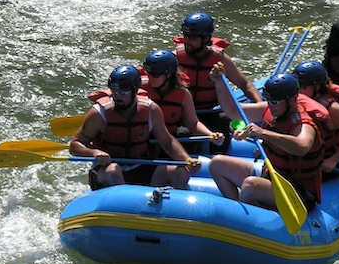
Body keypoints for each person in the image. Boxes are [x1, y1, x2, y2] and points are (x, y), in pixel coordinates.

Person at [208, 66, 323, 212]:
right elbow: (232, 111)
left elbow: (302, 147)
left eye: (275, 102)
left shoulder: (304, 124)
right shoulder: (270, 109)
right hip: (270, 176)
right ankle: (236, 213)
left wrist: (262, 133)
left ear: (292, 100)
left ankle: (248, 220)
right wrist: (219, 82)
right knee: (217, 163)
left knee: (251, 185)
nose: (270, 105)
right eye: (268, 100)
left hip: (297, 192)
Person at [70, 65, 200, 190]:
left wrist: (186, 159)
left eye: (122, 93)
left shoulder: (151, 109)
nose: (117, 97)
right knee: (113, 171)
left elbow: (167, 141)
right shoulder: (99, 113)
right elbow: (75, 145)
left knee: (181, 172)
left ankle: (173, 210)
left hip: (140, 167)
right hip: (108, 169)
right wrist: (93, 153)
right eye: (114, 92)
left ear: (135, 90)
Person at [174, 12, 262, 153]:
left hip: (211, 110)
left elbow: (245, 85)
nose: (187, 41)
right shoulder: (175, 59)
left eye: (192, 37)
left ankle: (218, 163)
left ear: (206, 38)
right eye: (185, 36)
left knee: (223, 122)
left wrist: (259, 108)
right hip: (185, 113)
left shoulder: (219, 59)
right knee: (182, 134)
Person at [140, 49, 225, 153]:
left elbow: (193, 124)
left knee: (184, 133)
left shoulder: (183, 94)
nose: (150, 77)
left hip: (169, 139)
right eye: (148, 73)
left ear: (168, 75)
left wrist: (210, 134)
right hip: (144, 139)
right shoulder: (139, 88)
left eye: (155, 74)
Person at [292, 60, 339, 180]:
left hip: (327, 164)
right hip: (304, 159)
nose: (297, 90)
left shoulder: (333, 109)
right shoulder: (297, 101)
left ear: (316, 87)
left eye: (302, 86)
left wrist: (333, 160)